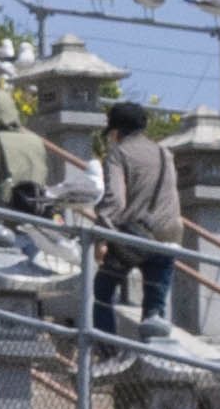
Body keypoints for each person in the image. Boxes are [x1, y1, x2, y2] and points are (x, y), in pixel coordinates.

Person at [80, 103, 189, 333]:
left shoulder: (119, 154)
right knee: (154, 311)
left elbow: (115, 201)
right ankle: (152, 351)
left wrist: (102, 238)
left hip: (134, 239)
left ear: (116, 131)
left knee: (102, 291)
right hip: (169, 237)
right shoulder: (165, 153)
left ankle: (106, 347)